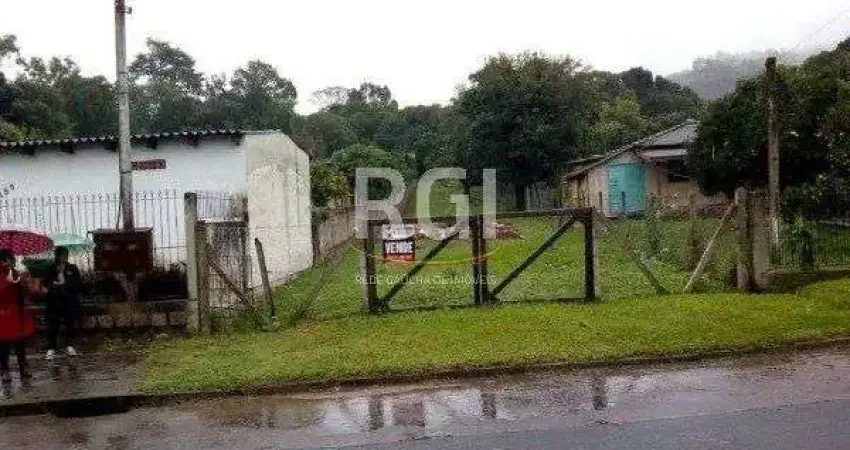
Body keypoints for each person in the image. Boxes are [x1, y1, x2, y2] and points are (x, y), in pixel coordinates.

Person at [0, 248, 34, 384]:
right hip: (3, 315)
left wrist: (24, 283)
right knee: (4, 344)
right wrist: (8, 283)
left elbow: (25, 295)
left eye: (11, 260)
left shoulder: (16, 274)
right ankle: (4, 369)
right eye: (6, 260)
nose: (9, 263)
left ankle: (23, 366)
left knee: (20, 343)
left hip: (17, 313)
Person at [44, 246, 82, 360]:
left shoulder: (72, 268)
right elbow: (46, 283)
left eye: (65, 255)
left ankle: (69, 345)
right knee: (53, 324)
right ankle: (51, 348)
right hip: (54, 301)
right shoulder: (50, 268)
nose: (64, 257)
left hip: (69, 300)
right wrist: (54, 283)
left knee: (69, 323)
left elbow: (78, 284)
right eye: (61, 255)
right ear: (57, 256)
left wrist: (65, 283)